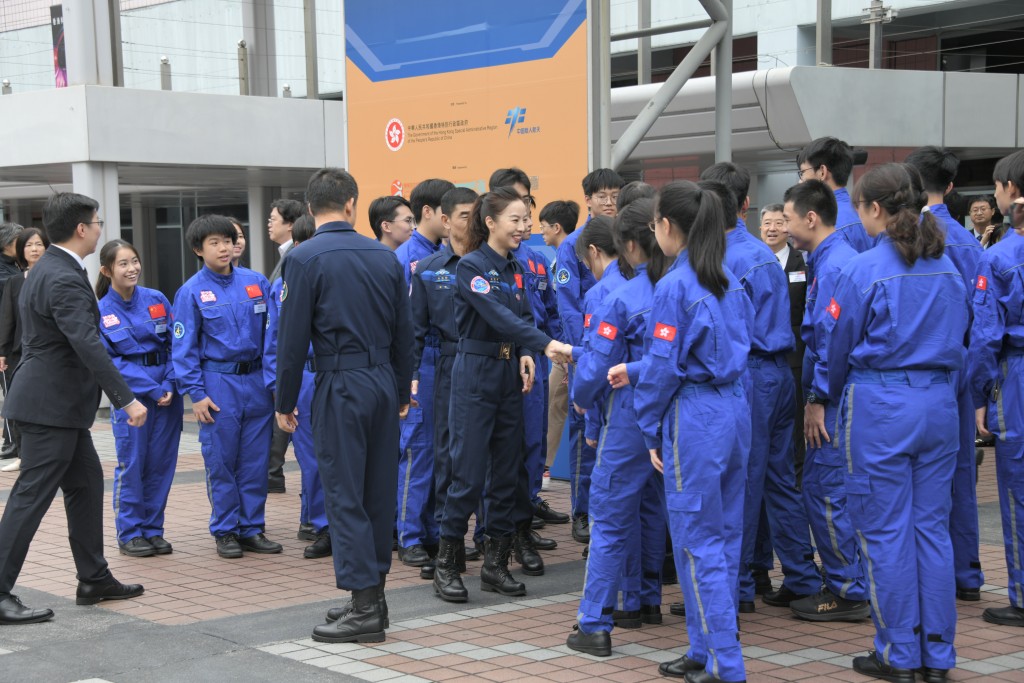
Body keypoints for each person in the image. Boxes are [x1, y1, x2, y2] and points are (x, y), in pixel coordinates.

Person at [832, 163, 968, 683]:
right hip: (939, 404)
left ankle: (898, 654)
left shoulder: (863, 271)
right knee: (931, 530)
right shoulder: (949, 267)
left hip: (881, 405)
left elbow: (838, 346)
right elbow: (966, 341)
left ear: (872, 209)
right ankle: (937, 653)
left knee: (885, 533)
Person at [274, 168, 413, 644]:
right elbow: (404, 334)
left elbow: (291, 341)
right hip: (380, 381)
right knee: (377, 491)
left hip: (339, 381)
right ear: (352, 204)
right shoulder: (385, 256)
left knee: (344, 492)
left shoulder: (304, 258)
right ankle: (369, 596)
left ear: (311, 209)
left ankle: (366, 607)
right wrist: (399, 392)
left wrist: (284, 401)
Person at [0, 192, 147, 626]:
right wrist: (126, 397)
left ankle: (93, 578)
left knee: (85, 486)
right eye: (98, 221)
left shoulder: (49, 267)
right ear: (82, 229)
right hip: (50, 405)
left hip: (56, 405)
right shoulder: (61, 275)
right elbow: (85, 341)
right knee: (30, 498)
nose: (101, 227)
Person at [636, 181, 753, 683]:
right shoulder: (725, 276)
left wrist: (648, 426)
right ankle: (704, 649)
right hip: (734, 408)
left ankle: (725, 662)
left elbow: (662, 368)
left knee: (696, 541)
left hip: (695, 416)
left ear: (666, 226)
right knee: (723, 536)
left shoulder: (673, 286)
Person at [433, 188, 571, 603]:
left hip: (510, 374)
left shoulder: (516, 266)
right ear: (490, 222)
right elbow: (499, 315)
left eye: (526, 220)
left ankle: (495, 565)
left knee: (507, 473)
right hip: (475, 374)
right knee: (469, 473)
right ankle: (447, 562)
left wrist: (527, 352)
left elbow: (524, 315)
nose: (524, 227)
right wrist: (545, 345)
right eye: (515, 219)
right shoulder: (470, 267)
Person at [699, 164, 819, 613]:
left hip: (747, 374)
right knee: (778, 480)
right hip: (779, 372)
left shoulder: (720, 257)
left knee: (740, 485)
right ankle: (802, 576)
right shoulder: (762, 254)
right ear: (745, 205)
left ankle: (736, 589)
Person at [566, 198, 668, 656]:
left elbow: (595, 370)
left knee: (609, 514)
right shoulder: (704, 285)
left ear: (628, 244)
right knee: (656, 509)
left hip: (628, 414)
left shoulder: (623, 297)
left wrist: (581, 401)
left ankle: (594, 621)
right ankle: (645, 600)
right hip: (687, 414)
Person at [780, 180, 870, 622]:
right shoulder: (830, 259)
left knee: (826, 489)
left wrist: (817, 398)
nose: (784, 226)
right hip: (844, 394)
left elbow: (831, 342)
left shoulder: (835, 266)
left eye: (789, 218)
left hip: (836, 398)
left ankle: (848, 589)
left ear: (810, 218)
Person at [171, 214, 281, 559]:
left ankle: (252, 528)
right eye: (214, 243)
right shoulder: (190, 292)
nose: (224, 248)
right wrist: (197, 394)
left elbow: (272, 336)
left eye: (228, 241)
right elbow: (183, 348)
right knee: (221, 460)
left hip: (257, 380)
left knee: (255, 459)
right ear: (198, 250)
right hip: (218, 384)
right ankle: (226, 529)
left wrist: (274, 382)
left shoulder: (256, 282)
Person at [905, 146, 986, 604]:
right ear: (950, 186)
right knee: (957, 473)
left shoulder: (902, 238)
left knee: (907, 482)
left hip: (910, 374)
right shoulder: (966, 242)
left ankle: (920, 575)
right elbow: (981, 315)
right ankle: (965, 571)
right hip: (958, 365)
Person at [409, 187, 481, 591]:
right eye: (465, 215)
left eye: (477, 214)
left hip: (493, 363)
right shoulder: (429, 269)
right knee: (446, 454)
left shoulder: (495, 264)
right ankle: (443, 546)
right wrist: (412, 375)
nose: (471, 222)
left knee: (493, 458)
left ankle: (491, 542)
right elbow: (415, 330)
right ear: (446, 219)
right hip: (449, 365)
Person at [95, 239, 183, 557]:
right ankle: (130, 531)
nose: (132, 268)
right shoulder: (102, 310)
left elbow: (177, 343)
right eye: (123, 264)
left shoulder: (157, 299)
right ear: (107, 270)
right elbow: (111, 362)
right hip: (134, 397)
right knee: (132, 463)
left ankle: (153, 529)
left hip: (167, 392)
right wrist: (153, 389)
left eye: (134, 261)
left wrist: (171, 382)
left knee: (161, 464)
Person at [491, 169, 567, 534]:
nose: (522, 221)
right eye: (514, 213)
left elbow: (550, 310)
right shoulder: (480, 262)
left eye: (527, 210)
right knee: (501, 448)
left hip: (535, 356)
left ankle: (527, 511)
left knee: (533, 439)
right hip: (495, 359)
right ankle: (498, 527)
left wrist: (555, 351)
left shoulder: (536, 259)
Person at [556, 168, 624, 544]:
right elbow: (568, 306)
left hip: (618, 354)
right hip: (587, 350)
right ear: (588, 200)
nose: (610, 201)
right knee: (585, 431)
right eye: (602, 195)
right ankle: (581, 512)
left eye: (615, 194)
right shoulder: (574, 245)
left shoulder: (628, 235)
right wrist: (576, 358)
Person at [971, 149, 1024, 630]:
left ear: (1011, 190)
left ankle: (1022, 595)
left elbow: (986, 336)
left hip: (1017, 375)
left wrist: (979, 398)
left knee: (1018, 488)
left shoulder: (1001, 255)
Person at [394, 178, 455, 569]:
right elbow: (400, 324)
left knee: (441, 450)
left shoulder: (443, 255)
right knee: (416, 448)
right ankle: (408, 535)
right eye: (448, 213)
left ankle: (433, 530)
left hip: (445, 358)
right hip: (419, 361)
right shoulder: (405, 258)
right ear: (428, 213)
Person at [263, 215, 329, 558]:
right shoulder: (285, 284)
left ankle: (317, 518)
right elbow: (275, 340)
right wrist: (279, 388)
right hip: (304, 376)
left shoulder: (337, 276)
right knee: (312, 457)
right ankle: (320, 523)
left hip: (334, 374)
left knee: (335, 454)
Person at [538, 199, 579, 489]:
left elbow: (568, 310)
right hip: (562, 348)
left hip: (566, 350)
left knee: (555, 406)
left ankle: (544, 467)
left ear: (556, 227)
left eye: (543, 227)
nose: (540, 232)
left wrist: (567, 352)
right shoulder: (557, 257)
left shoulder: (568, 252)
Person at [0, 228, 48, 474]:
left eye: (39, 244)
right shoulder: (14, 281)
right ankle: (22, 453)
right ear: (21, 251)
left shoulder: (55, 277)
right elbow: (7, 319)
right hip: (19, 352)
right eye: (29, 245)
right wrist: (3, 352)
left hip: (48, 352)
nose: (34, 249)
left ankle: (41, 453)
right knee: (18, 404)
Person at [266, 199, 305, 494]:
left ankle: (273, 473)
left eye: (274, 218)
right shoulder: (284, 256)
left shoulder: (296, 258)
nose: (269, 223)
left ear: (291, 225)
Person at [797, 136, 872, 253]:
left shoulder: (827, 222)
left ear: (822, 172)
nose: (800, 181)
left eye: (803, 173)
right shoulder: (866, 212)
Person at [0, 222, 23, 463]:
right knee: (11, 389)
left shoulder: (16, 266)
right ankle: (11, 442)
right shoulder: (7, 273)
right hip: (6, 341)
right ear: (8, 244)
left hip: (15, 338)